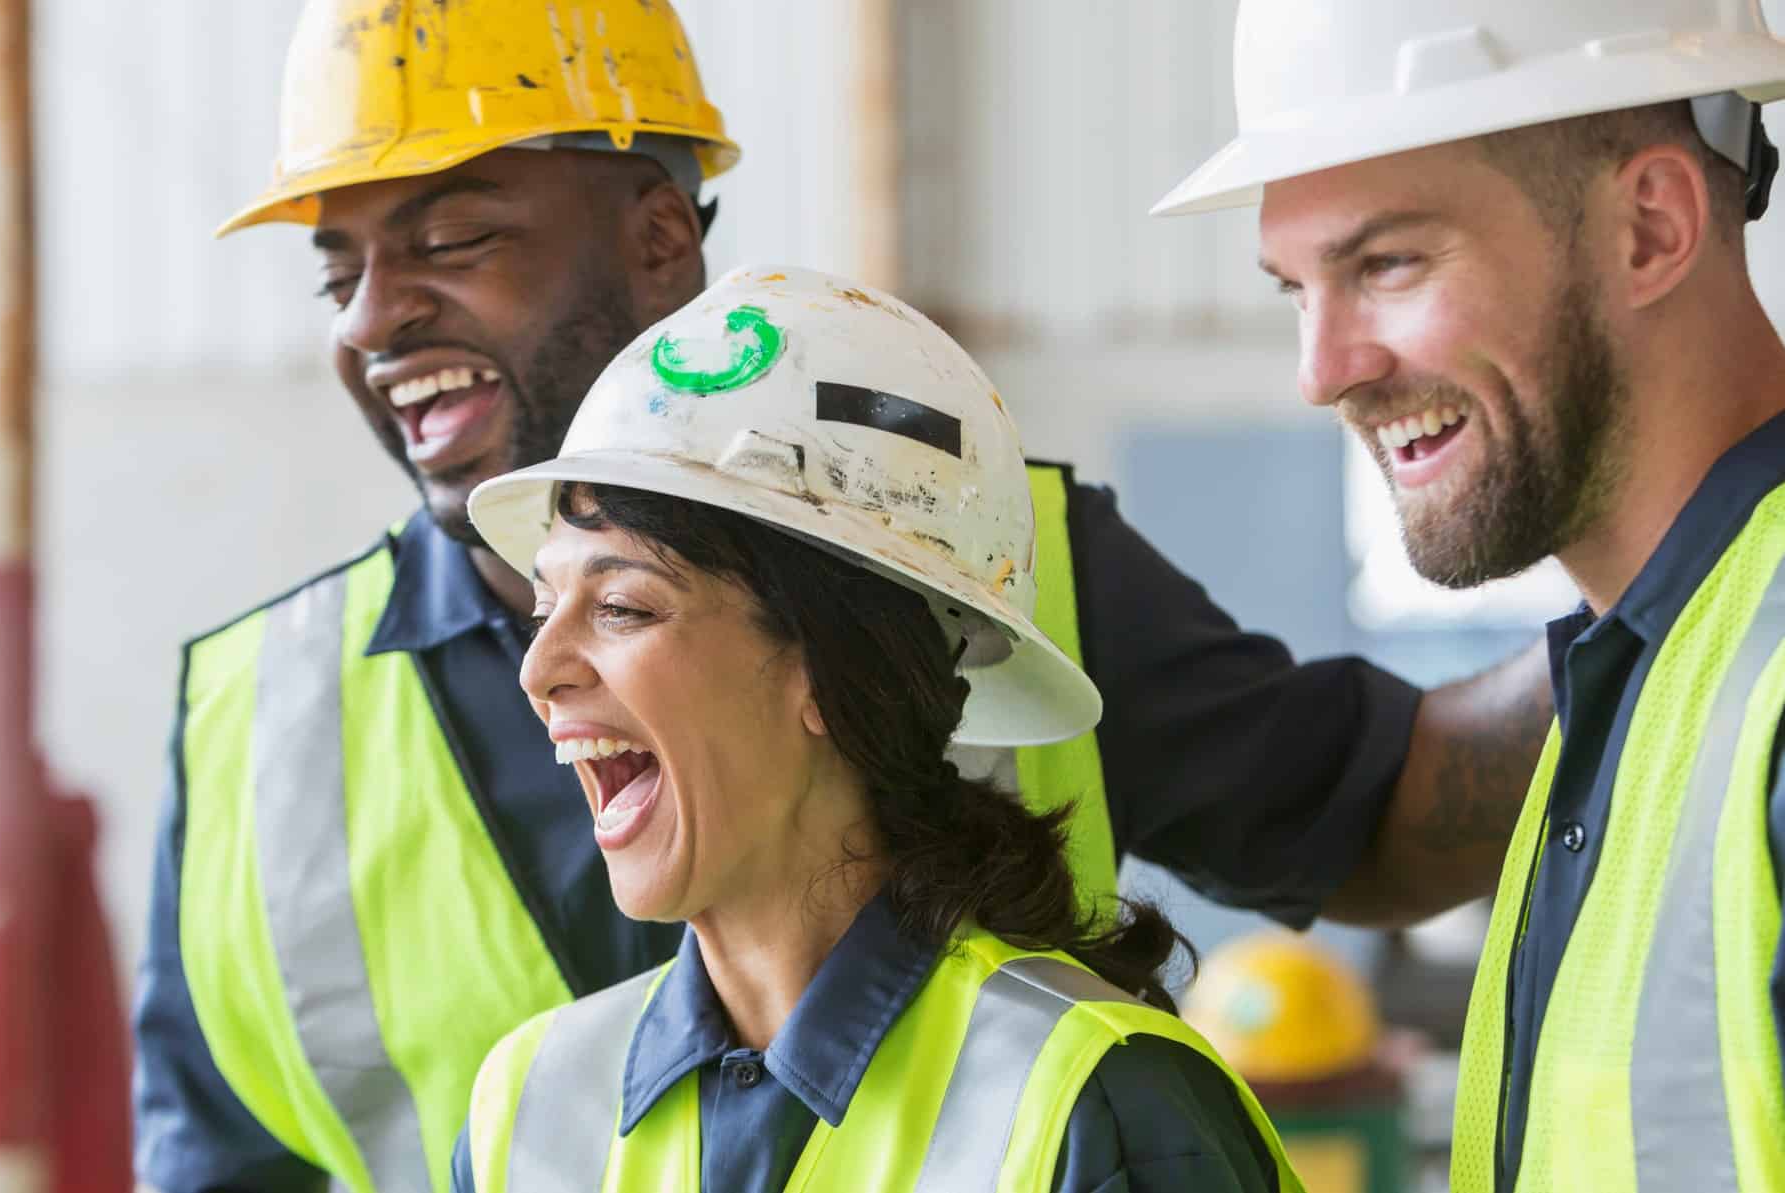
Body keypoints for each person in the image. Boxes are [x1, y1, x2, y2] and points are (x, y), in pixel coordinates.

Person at [134, 2, 1549, 1191]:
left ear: (656, 240)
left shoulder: (970, 559)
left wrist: (1652, 612)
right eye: (338, 274)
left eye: (452, 240)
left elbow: (1369, 812)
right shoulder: (261, 726)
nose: (374, 314)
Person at [456, 265, 1305, 1193]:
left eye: (621, 606)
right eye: (542, 606)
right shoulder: (528, 1109)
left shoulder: (1093, 1105)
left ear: (833, 667)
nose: (538, 670)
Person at [1155, 1, 1785, 1189]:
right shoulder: (1632, 680)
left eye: (1388, 263)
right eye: (1297, 288)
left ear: (1650, 228)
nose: (1323, 370)